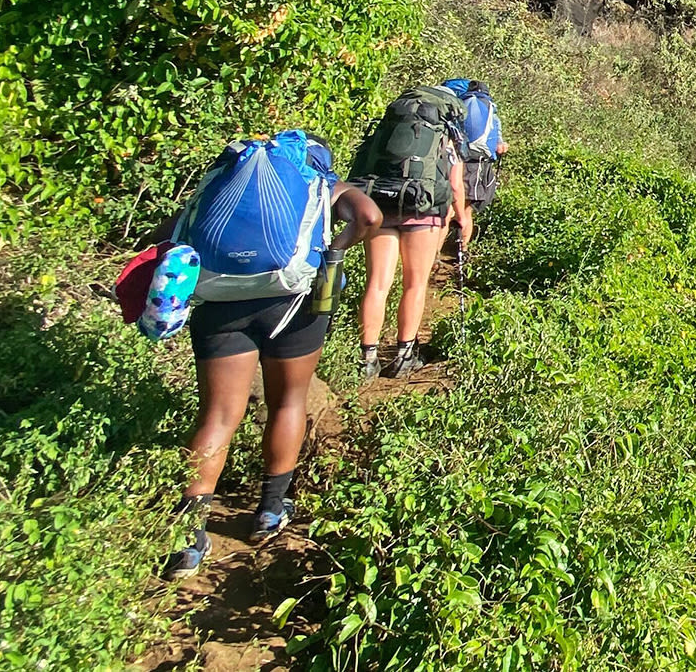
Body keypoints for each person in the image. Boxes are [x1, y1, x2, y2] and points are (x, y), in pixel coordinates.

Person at [164, 181, 383, 579]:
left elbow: (172, 235)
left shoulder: (229, 177)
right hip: (293, 302)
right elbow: (369, 217)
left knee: (216, 417)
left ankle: (188, 540)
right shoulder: (321, 183)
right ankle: (269, 510)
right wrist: (334, 250)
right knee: (288, 401)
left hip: (220, 303)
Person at [352, 85, 473, 381]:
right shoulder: (444, 132)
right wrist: (462, 216)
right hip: (423, 208)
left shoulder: (390, 126)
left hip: (381, 203)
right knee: (415, 284)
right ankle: (404, 355)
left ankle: (367, 358)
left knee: (378, 283)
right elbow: (456, 184)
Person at [442, 78, 508, 213]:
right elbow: (498, 144)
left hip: (450, 156)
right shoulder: (488, 106)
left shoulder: (458, 103)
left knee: (448, 202)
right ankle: (461, 231)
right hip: (475, 160)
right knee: (465, 209)